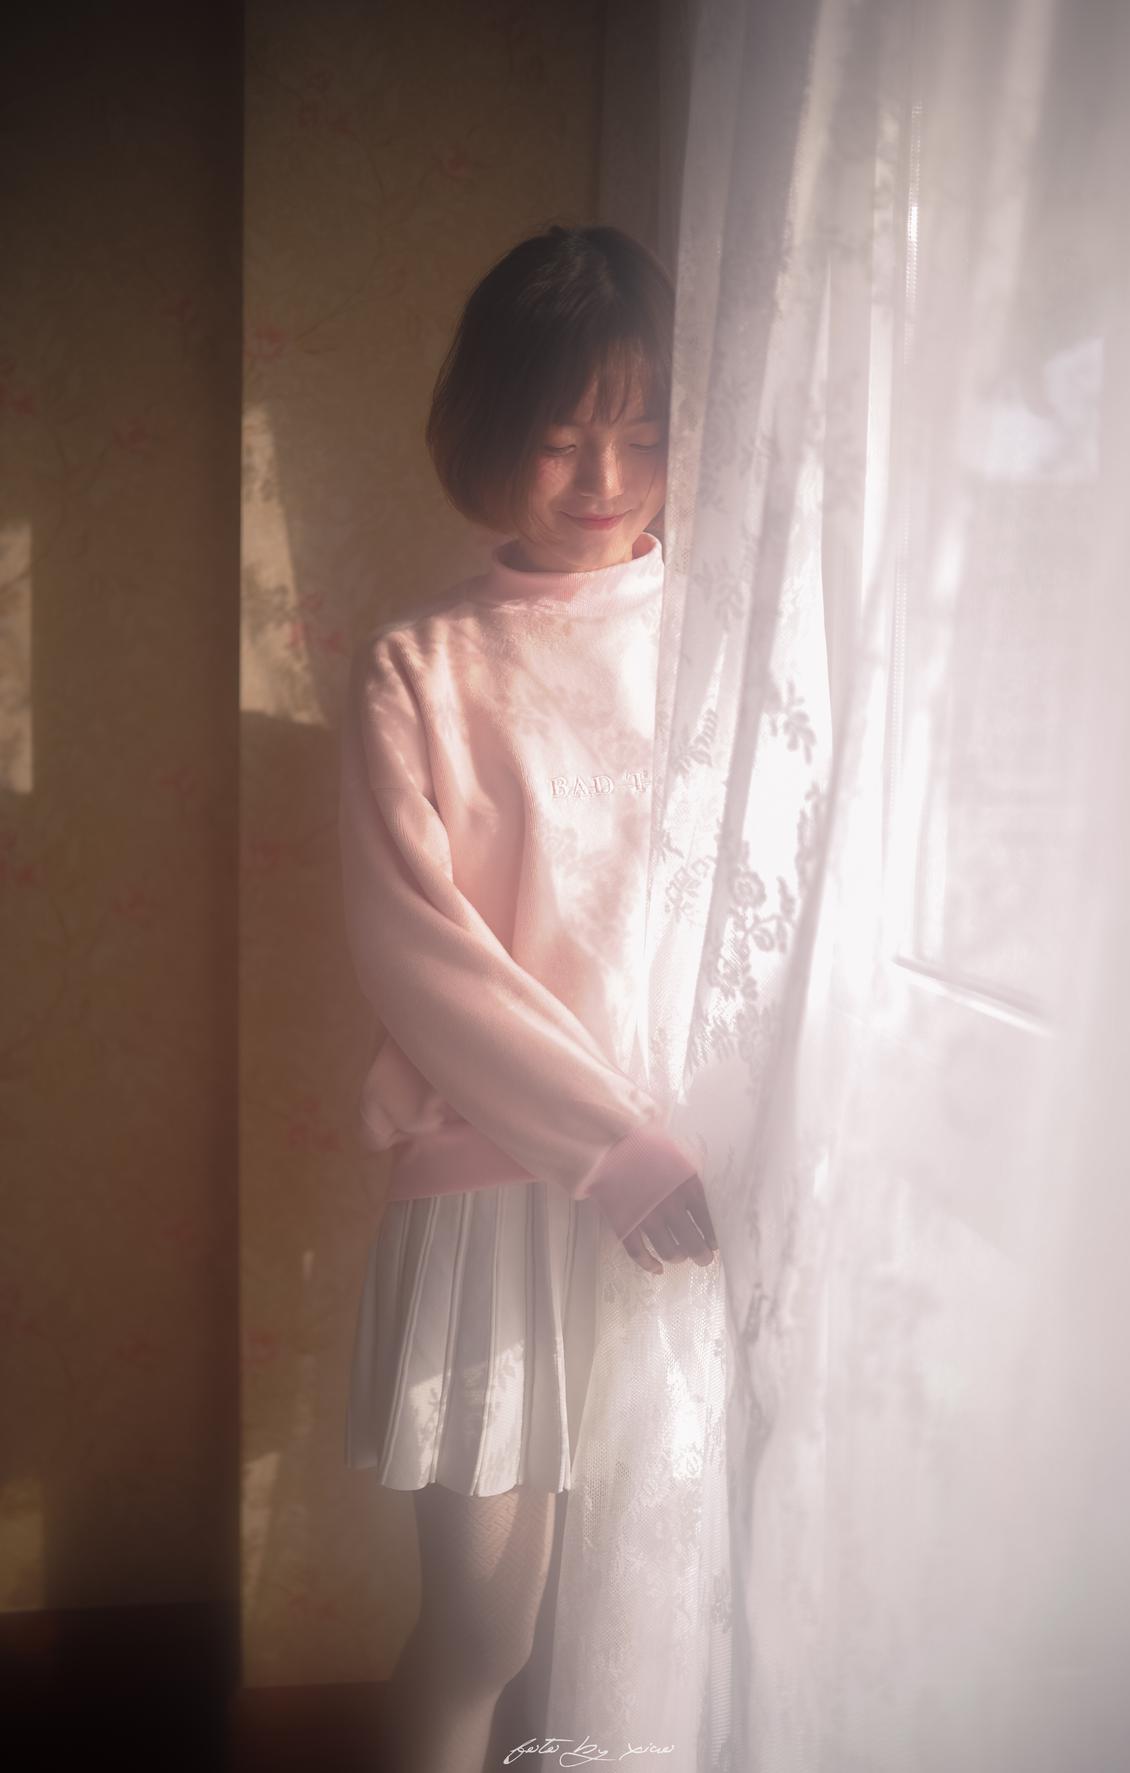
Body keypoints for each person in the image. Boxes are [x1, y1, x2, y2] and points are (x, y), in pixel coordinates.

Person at [336, 221, 718, 1773]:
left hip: (700, 1186)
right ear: (492, 434)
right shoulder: (419, 666)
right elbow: (420, 958)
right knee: (487, 1625)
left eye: (646, 430)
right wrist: (613, 1146)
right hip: (502, 1187)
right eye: (564, 435)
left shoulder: (730, 637)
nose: (608, 475)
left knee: (652, 1597)